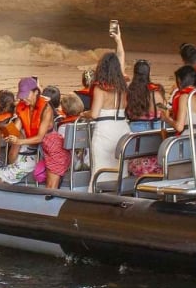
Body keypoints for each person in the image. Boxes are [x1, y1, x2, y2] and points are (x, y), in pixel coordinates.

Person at [88, 23, 130, 181]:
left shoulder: (101, 89)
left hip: (105, 130)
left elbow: (93, 114)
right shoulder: (122, 85)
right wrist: (119, 41)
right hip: (122, 127)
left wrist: (84, 114)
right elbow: (121, 59)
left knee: (101, 168)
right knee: (120, 168)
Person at [0, 77, 53, 184]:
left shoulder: (46, 109)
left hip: (44, 150)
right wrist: (5, 132)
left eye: (26, 95)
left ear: (36, 92)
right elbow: (16, 127)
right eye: (22, 96)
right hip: (29, 148)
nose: (24, 99)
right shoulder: (22, 106)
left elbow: (40, 137)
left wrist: (19, 141)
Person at [42, 94, 86, 189]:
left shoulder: (64, 127)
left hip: (71, 162)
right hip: (86, 159)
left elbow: (60, 149)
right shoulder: (87, 123)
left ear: (64, 110)